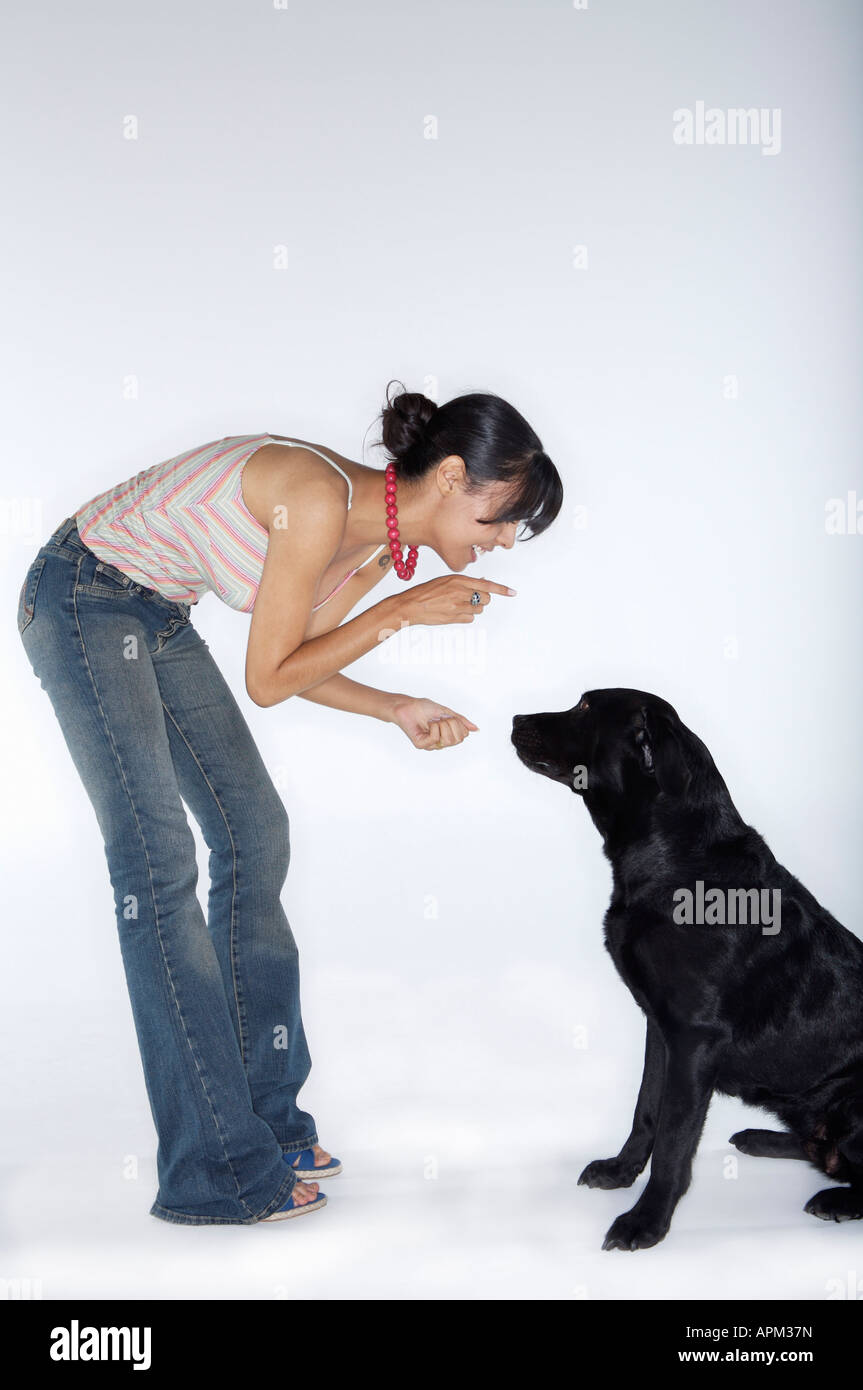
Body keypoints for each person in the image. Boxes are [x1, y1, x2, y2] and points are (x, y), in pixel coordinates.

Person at [15, 383, 564, 1225]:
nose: (500, 542)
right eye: (499, 518)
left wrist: (395, 706)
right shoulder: (316, 503)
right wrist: (403, 613)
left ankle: (265, 1121)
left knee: (253, 831)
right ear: (452, 476)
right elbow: (267, 680)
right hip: (83, 594)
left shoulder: (379, 542)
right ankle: (216, 1169)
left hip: (154, 611)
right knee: (157, 862)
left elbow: (298, 659)